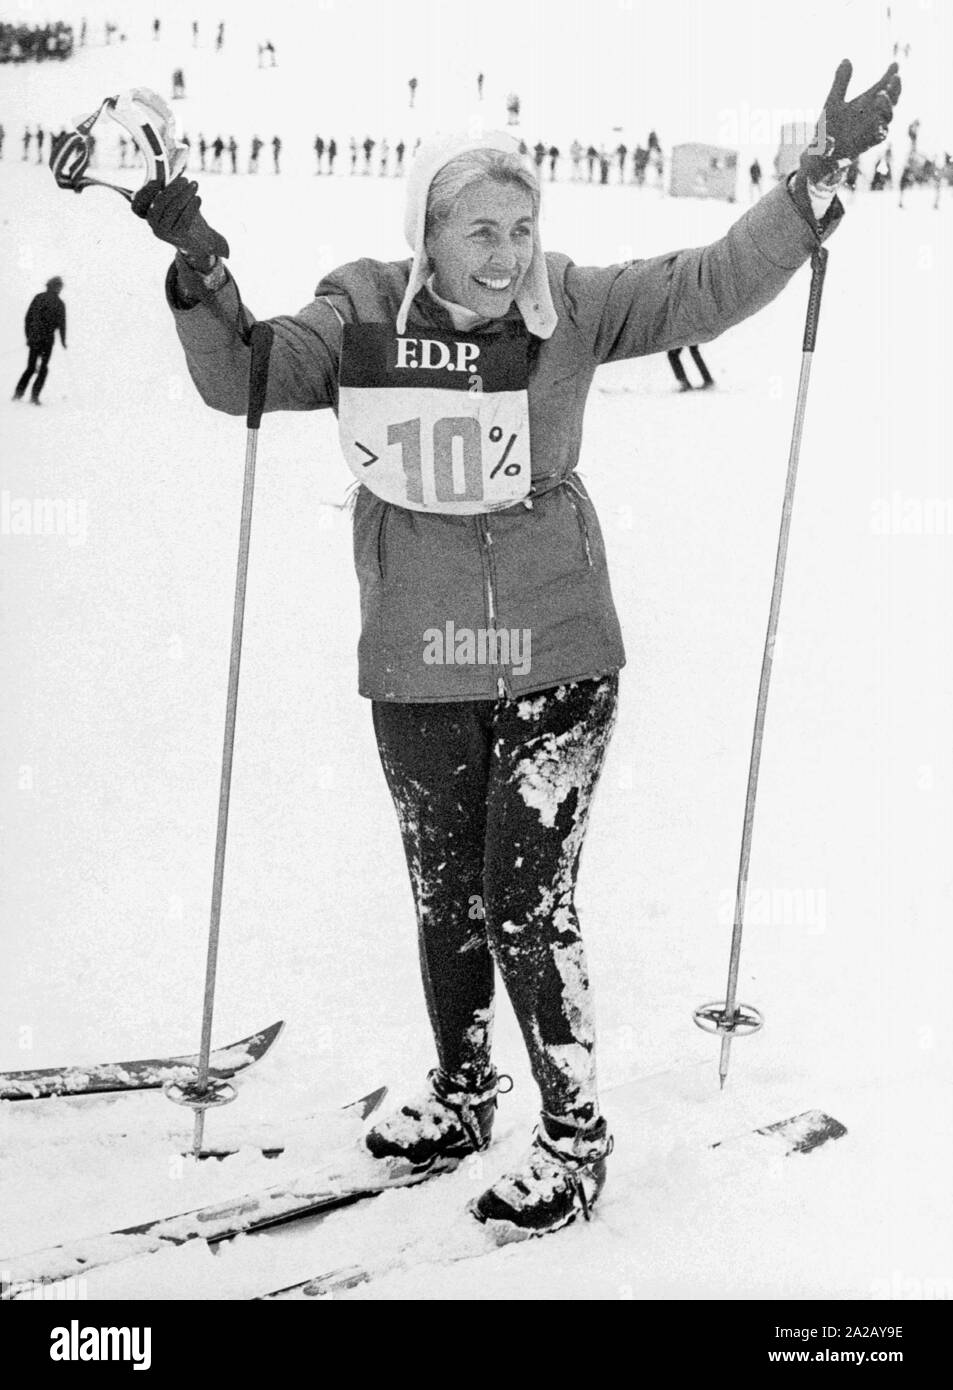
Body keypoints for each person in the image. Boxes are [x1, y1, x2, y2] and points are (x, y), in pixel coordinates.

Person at [131, 58, 899, 1239]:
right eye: (478, 229)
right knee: (446, 896)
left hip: (555, 647)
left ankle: (574, 1136)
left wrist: (807, 184)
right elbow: (244, 371)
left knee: (524, 899)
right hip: (420, 655)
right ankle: (460, 1090)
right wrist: (200, 271)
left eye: (523, 228)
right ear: (425, 237)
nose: (505, 253)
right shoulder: (360, 312)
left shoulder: (573, 307)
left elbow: (702, 285)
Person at [13, 276, 66, 405]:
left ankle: (18, 394)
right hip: (47, 341)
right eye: (58, 286)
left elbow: (28, 318)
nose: (59, 288)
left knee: (31, 367)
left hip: (35, 339)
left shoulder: (39, 297)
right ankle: (34, 397)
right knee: (43, 368)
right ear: (56, 287)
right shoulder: (59, 303)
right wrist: (63, 341)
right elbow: (62, 325)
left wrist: (28, 337)